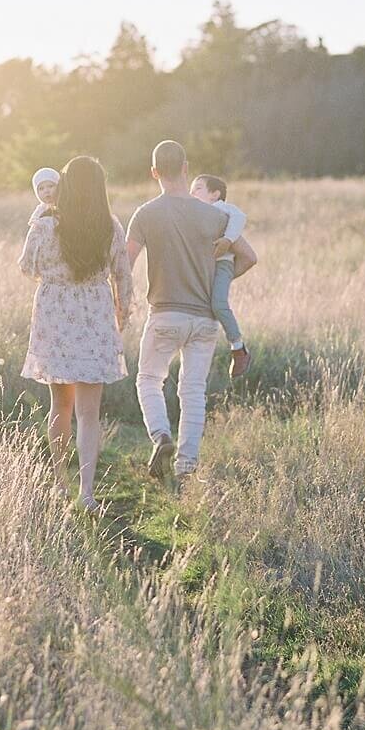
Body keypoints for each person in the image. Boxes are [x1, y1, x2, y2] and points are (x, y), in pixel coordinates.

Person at [126, 140, 257, 481]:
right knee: (193, 391)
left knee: (149, 380)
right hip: (205, 319)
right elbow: (249, 257)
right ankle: (186, 469)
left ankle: (161, 436)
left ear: (154, 172)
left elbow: (124, 265)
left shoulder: (145, 214)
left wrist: (120, 306)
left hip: (165, 314)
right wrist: (219, 285)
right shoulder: (216, 215)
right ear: (186, 168)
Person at [19, 156, 132, 511]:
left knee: (60, 405)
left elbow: (26, 267)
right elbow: (123, 275)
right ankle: (87, 493)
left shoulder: (45, 224)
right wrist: (121, 311)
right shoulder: (110, 226)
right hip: (95, 316)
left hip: (55, 314)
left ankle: (58, 482)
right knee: (89, 411)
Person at [189, 172, 251, 378]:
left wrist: (227, 240)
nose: (192, 192)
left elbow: (240, 216)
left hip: (222, 264)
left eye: (198, 188)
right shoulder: (196, 213)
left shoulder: (219, 208)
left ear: (215, 194)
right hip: (206, 267)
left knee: (218, 303)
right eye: (191, 188)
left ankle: (238, 347)